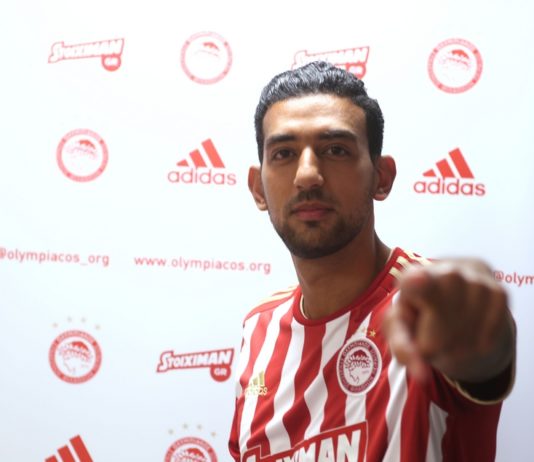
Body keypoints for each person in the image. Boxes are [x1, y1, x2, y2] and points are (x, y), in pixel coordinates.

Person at [228, 61, 516, 462]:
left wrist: (484, 337)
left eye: (336, 150)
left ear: (382, 177)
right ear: (258, 189)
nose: (307, 174)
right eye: (284, 153)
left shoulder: (430, 306)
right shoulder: (258, 330)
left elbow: (482, 354)